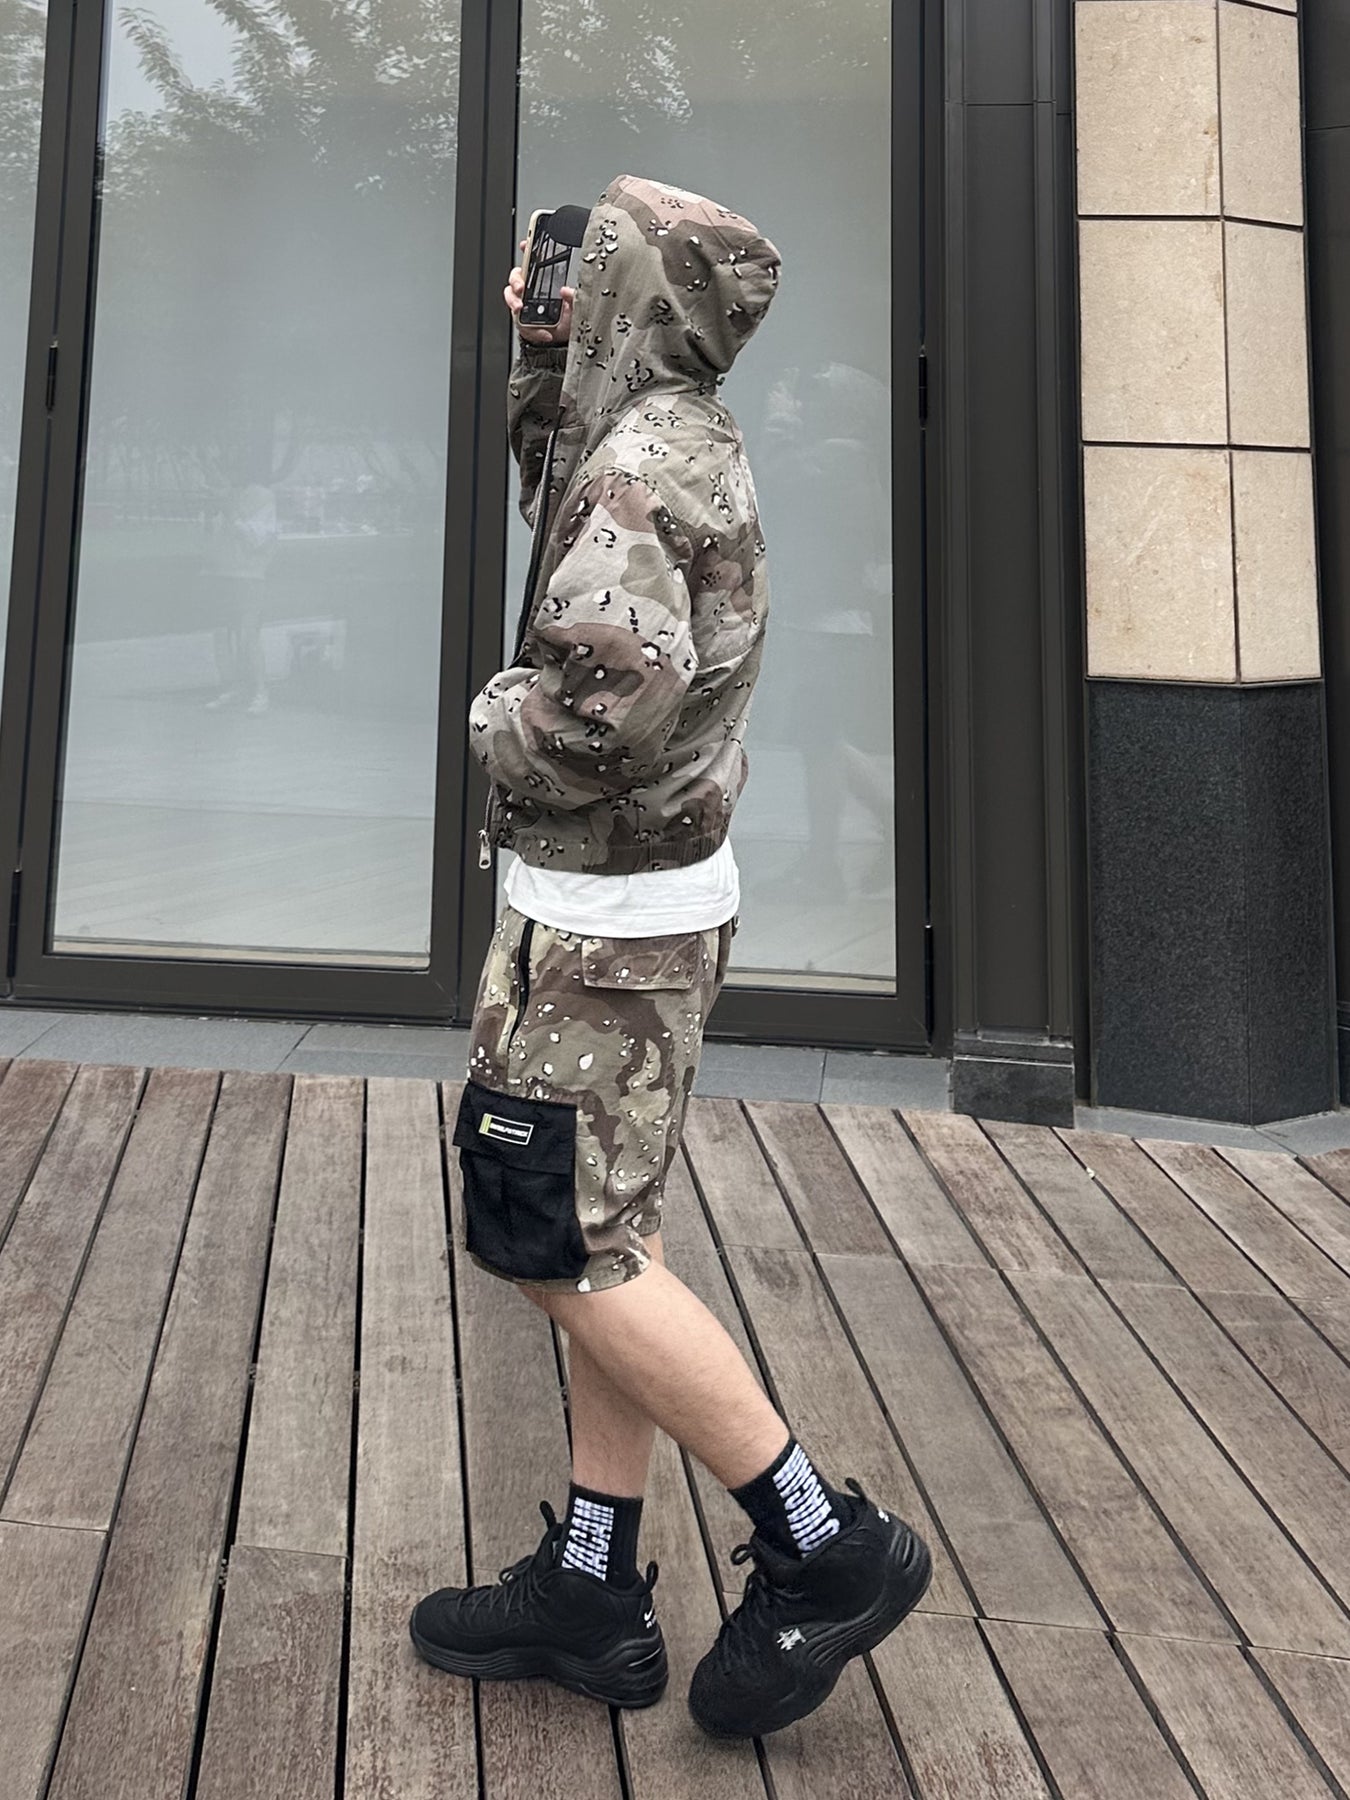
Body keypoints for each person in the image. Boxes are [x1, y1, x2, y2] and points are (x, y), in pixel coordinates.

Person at [409, 174, 930, 1740]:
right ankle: (592, 1586)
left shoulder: (637, 472)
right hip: (639, 912)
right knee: (596, 1240)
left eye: (574, 275)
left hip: (598, 930)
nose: (546, 290)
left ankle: (820, 1543)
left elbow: (597, 716)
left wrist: (489, 715)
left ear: (630, 296)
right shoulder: (664, 430)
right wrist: (536, 355)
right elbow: (555, 475)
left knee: (556, 1245)